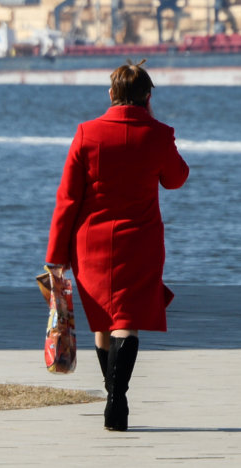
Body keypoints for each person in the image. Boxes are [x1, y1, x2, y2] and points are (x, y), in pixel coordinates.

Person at [45, 59, 190, 432]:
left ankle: (112, 394)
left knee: (102, 319)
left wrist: (55, 257)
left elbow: (67, 199)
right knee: (127, 319)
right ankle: (118, 398)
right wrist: (155, 124)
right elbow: (176, 179)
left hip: (90, 242)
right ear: (147, 96)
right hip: (139, 240)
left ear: (111, 94)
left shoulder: (86, 133)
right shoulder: (159, 134)